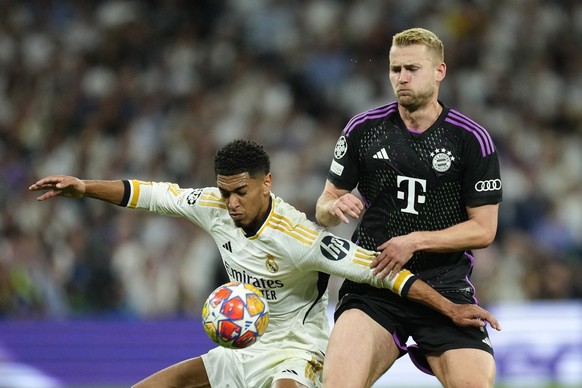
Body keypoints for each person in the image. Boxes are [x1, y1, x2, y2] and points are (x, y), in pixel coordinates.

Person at [29, 139, 499, 388]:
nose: (231, 203)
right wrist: (86, 187)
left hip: (298, 352)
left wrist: (450, 309)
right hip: (243, 349)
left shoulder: (298, 237)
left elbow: (384, 271)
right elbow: (150, 194)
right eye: (225, 191)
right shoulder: (212, 204)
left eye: (241, 192)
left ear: (267, 183)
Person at [315, 28, 503, 388]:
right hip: (375, 283)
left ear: (439, 71)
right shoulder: (363, 130)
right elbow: (324, 203)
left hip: (444, 287)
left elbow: (484, 229)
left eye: (412, 68)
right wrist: (334, 205)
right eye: (394, 69)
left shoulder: (470, 140)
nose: (400, 78)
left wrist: (414, 240)